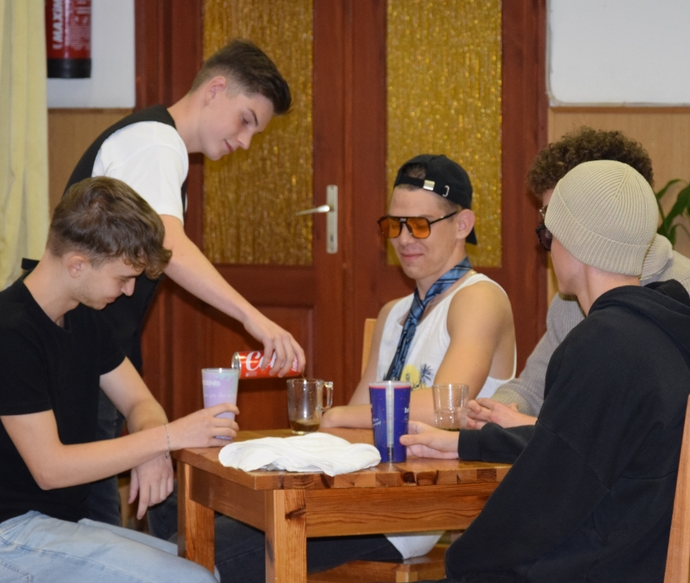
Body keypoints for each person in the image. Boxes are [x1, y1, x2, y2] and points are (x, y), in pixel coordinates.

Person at [403, 159, 690, 582]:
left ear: (576, 244)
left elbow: (547, 499)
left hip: (601, 568)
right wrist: (469, 443)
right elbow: (572, 446)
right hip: (636, 557)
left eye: (548, 235)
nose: (549, 249)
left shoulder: (606, 345)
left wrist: (462, 559)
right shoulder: (661, 328)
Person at [467, 128, 690, 583]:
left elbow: (641, 441)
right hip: (640, 504)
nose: (550, 241)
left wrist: (531, 429)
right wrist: (491, 413)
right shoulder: (574, 300)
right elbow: (533, 385)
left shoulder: (682, 294)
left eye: (556, 226)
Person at [214, 154, 517, 582]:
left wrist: (338, 415)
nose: (404, 239)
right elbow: (348, 428)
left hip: (415, 505)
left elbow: (446, 408)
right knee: (205, 525)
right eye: (394, 225)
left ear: (463, 224)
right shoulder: (394, 312)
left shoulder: (479, 298)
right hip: (361, 486)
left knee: (219, 556)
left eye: (420, 225)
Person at [0, 177, 236, 583]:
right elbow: (51, 469)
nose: (129, 291)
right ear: (77, 265)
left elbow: (139, 403)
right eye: (122, 278)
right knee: (192, 581)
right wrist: (167, 438)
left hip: (52, 525)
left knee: (203, 570)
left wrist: (153, 447)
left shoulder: (84, 318)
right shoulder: (5, 332)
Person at [64, 39, 306, 533]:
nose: (246, 142)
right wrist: (253, 318)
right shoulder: (155, 143)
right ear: (214, 89)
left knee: (103, 520)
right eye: (245, 120)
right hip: (77, 351)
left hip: (100, 352)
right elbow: (169, 243)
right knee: (92, 525)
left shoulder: (160, 146)